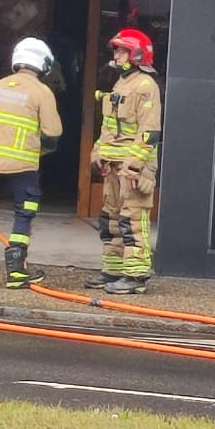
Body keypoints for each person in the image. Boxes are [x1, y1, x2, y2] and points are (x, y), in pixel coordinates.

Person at [0, 37, 62, 289]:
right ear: (43, 63)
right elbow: (53, 133)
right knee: (23, 214)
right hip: (23, 167)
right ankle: (16, 272)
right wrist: (40, 150)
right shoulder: (42, 92)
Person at [87, 28, 161, 293]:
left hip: (132, 170)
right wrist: (98, 155)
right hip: (114, 166)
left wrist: (134, 166)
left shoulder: (144, 86)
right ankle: (112, 271)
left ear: (136, 54)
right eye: (116, 50)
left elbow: (149, 131)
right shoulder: (121, 84)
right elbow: (109, 127)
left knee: (132, 222)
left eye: (121, 50)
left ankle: (136, 277)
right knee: (111, 220)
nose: (116, 55)